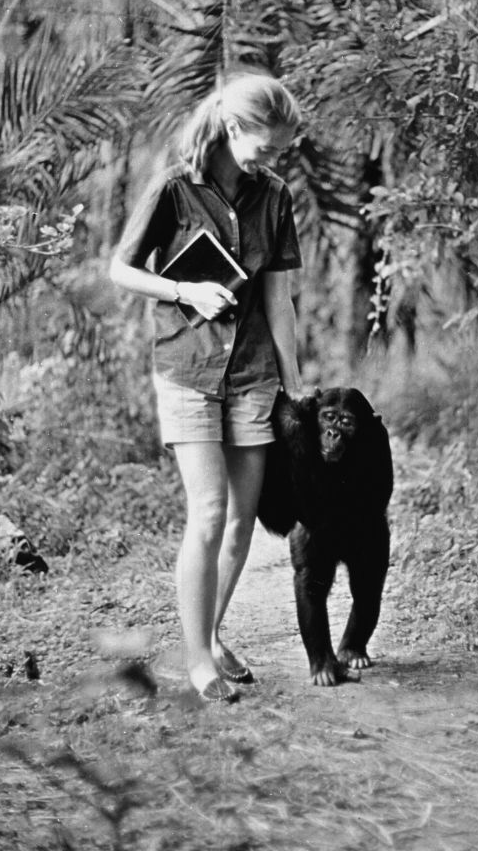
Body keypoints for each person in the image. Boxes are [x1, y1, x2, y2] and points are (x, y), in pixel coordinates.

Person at [110, 72, 304, 703]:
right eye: (267, 148)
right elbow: (119, 268)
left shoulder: (273, 197)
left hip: (252, 374)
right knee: (210, 511)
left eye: (280, 153)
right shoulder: (172, 188)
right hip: (187, 369)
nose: (274, 162)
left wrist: (294, 389)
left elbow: (278, 299)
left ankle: (211, 635)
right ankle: (197, 662)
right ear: (232, 127)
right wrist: (184, 290)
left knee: (242, 522)